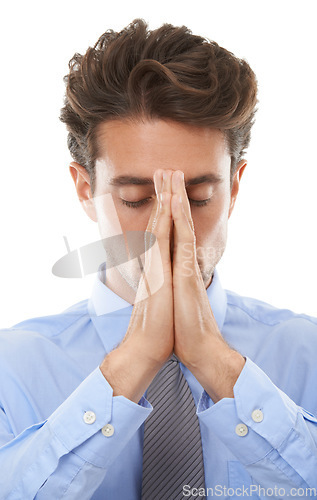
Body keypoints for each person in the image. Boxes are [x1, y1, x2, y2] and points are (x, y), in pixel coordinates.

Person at [0, 17, 317, 500]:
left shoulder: (305, 355)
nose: (170, 229)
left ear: (233, 188)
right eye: (135, 198)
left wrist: (217, 364)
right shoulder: (12, 369)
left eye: (200, 196)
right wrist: (133, 363)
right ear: (86, 190)